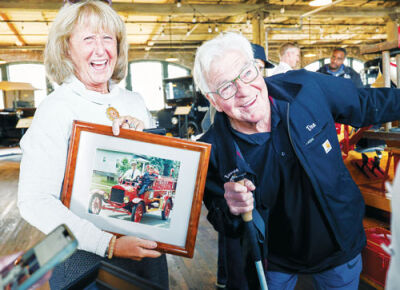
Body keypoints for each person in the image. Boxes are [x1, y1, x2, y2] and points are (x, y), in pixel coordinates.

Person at [193, 32, 400, 289]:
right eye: (226, 87)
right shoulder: (213, 151)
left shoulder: (305, 88)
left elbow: (364, 103)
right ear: (213, 100)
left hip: (338, 247)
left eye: (247, 73)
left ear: (258, 69)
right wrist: (230, 207)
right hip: (275, 261)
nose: (243, 91)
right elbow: (222, 219)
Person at [17, 1, 168, 289]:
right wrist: (108, 243)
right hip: (84, 261)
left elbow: (157, 178)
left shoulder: (133, 101)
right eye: (88, 38)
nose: (100, 50)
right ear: (66, 48)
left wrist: (146, 142)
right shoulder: (56, 107)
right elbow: (34, 201)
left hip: (145, 255)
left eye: (107, 38)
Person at [201, 43, 273, 133]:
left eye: (261, 69)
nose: (244, 91)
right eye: (248, 71)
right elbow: (207, 124)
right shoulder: (223, 98)